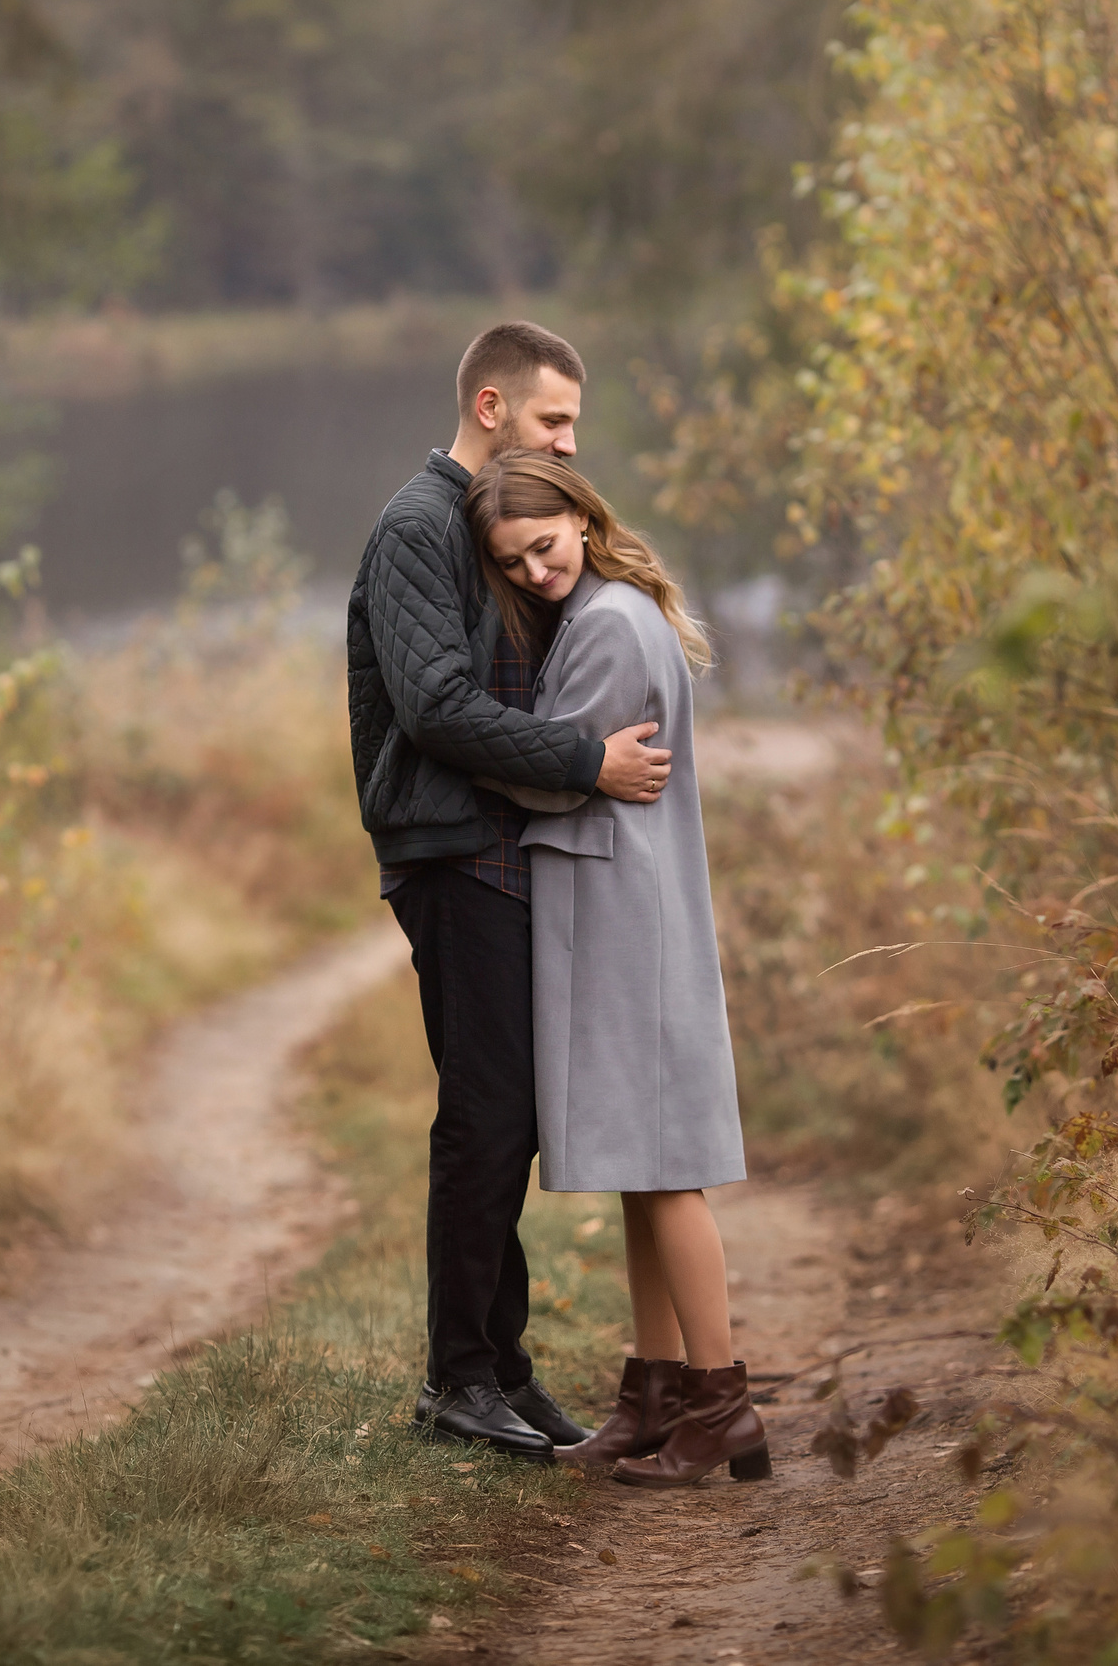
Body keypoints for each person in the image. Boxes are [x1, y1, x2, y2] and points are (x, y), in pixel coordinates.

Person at [345, 322, 676, 1460]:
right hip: (448, 852)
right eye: (553, 422)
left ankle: (505, 1370)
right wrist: (588, 764)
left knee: (510, 1117)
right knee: (485, 1118)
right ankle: (456, 1380)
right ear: (491, 409)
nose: (571, 443)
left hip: (494, 848)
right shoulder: (415, 527)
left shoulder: (488, 525)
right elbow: (434, 706)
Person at [463, 448, 768, 1489]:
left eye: (542, 549)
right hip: (625, 903)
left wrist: (475, 756)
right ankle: (653, 1391)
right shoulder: (611, 609)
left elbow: (557, 778)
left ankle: (718, 1400)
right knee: (644, 1168)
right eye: (512, 565)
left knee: (667, 1170)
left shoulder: (602, 625)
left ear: (581, 523)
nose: (534, 575)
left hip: (621, 917)